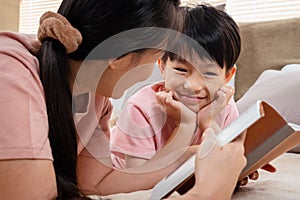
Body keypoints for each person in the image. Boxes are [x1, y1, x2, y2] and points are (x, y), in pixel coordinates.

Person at [0, 0, 246, 199]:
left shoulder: (96, 95)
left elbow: (97, 183)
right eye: (158, 55)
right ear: (120, 58)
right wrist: (209, 192)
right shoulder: (10, 74)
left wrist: (199, 157)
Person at [110, 5, 240, 169]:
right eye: (181, 70)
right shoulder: (140, 109)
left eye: (209, 74)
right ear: (162, 66)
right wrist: (185, 125)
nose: (193, 86)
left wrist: (209, 125)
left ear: (227, 76)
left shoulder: (224, 107)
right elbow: (140, 180)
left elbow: (224, 160)